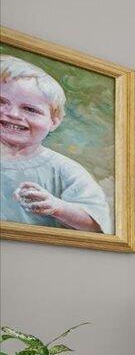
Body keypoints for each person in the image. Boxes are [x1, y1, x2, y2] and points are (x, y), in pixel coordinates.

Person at [0, 54, 111, 233]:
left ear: (54, 121)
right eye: (1, 102)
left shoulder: (63, 169)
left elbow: (96, 224)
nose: (13, 114)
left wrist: (57, 207)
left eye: (29, 109)